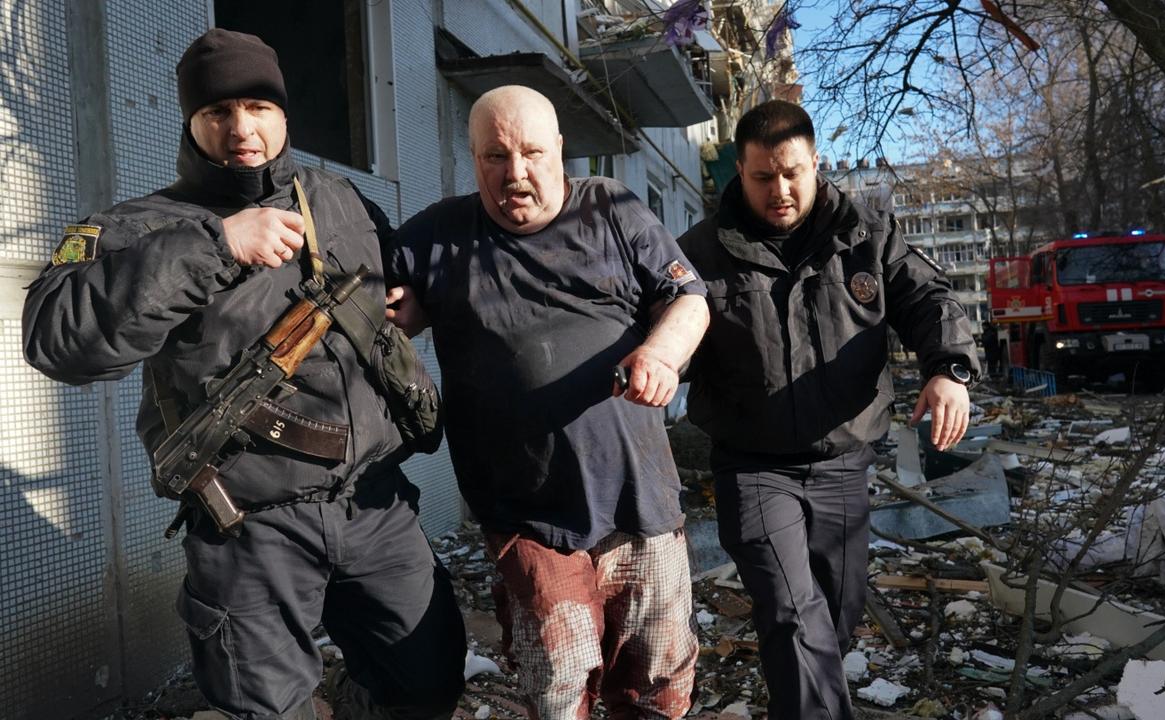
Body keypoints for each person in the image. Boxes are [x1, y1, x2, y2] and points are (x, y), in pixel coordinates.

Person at [23, 29, 465, 720]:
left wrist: (417, 301)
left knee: (427, 681)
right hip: (251, 529)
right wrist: (217, 245)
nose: (240, 130)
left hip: (375, 506)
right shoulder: (143, 227)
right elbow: (56, 338)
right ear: (190, 121)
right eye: (217, 112)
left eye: (258, 107)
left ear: (284, 114)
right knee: (266, 711)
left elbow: (398, 274)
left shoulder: (340, 200)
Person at [386, 85, 708, 720]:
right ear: (472, 156)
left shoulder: (611, 208)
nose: (516, 174)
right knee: (558, 682)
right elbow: (361, 294)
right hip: (526, 512)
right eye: (495, 157)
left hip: (638, 499)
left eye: (532, 152)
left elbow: (688, 298)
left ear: (561, 149)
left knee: (657, 683)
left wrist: (660, 355)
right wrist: (399, 311)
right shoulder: (440, 235)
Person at [676, 100, 979, 720]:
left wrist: (948, 369)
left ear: (816, 162)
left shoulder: (868, 234)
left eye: (792, 172)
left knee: (832, 625)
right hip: (753, 468)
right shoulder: (700, 252)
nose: (779, 190)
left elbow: (928, 298)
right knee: (792, 615)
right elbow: (659, 326)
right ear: (741, 170)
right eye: (762, 177)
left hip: (844, 464)